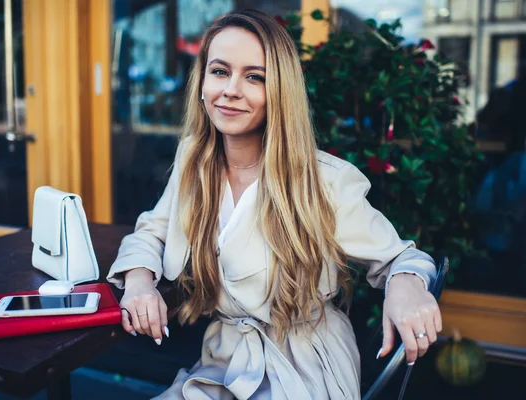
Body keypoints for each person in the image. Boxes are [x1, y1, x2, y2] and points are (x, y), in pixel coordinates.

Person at [107, 9, 442, 400]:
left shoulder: (324, 179)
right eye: (219, 71)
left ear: (279, 92)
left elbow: (402, 258)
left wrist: (406, 286)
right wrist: (138, 282)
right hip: (222, 358)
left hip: (305, 364)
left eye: (254, 77)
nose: (231, 89)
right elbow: (152, 229)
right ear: (201, 83)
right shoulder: (192, 159)